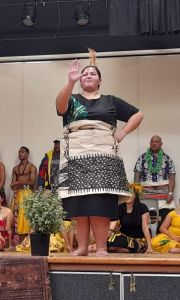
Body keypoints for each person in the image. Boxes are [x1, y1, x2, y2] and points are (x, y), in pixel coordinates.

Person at [56, 57, 143, 256]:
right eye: (84, 74)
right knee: (80, 202)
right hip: (76, 157)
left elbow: (138, 115)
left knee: (99, 202)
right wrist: (69, 82)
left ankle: (102, 247)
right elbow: (60, 108)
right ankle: (83, 247)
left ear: (99, 80)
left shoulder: (110, 101)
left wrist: (122, 133)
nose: (88, 76)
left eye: (92, 73)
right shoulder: (72, 99)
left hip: (103, 158)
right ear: (79, 79)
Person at [134, 135, 176, 228]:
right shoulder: (142, 158)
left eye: (156, 142)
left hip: (163, 192)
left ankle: (160, 235)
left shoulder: (167, 159)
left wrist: (170, 193)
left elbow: (172, 177)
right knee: (146, 216)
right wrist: (136, 193)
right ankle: (147, 236)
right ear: (150, 143)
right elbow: (137, 175)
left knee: (164, 216)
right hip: (146, 192)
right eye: (152, 141)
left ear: (161, 144)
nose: (154, 143)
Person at [107, 183, 153, 253]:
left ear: (135, 195)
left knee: (127, 249)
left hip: (138, 239)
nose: (127, 196)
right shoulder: (120, 207)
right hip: (123, 238)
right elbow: (113, 225)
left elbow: (145, 227)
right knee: (110, 246)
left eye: (130, 194)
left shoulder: (142, 207)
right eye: (126, 194)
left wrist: (149, 247)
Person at [10, 146, 37, 243]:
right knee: (15, 215)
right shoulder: (15, 169)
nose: (20, 154)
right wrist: (15, 186)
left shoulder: (32, 167)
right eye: (19, 152)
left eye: (22, 152)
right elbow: (12, 184)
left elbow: (32, 182)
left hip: (27, 194)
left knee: (25, 217)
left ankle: (27, 241)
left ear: (27, 154)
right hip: (17, 194)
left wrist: (18, 183)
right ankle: (18, 241)